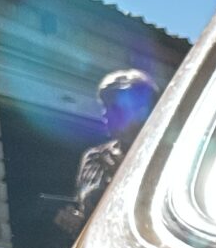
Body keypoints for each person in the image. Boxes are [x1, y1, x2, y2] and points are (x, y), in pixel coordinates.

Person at [53, 69, 158, 237]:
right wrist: (77, 222)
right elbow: (87, 212)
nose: (105, 114)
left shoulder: (162, 156)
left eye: (115, 108)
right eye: (104, 107)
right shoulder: (93, 158)